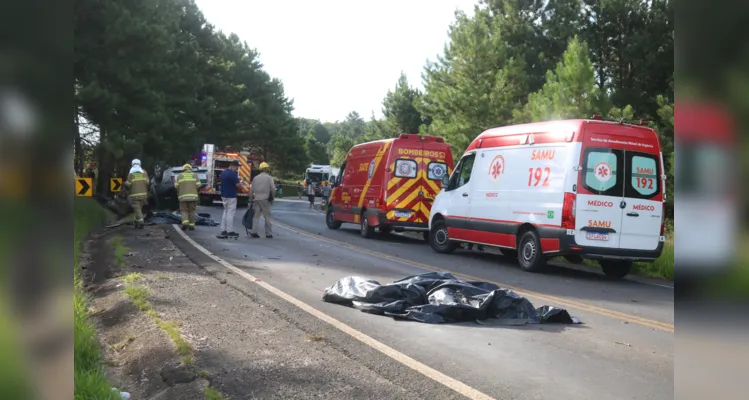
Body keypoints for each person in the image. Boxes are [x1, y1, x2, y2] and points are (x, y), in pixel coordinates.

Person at [248, 162, 276, 239]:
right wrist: (272, 197)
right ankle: (268, 233)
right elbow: (273, 189)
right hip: (265, 199)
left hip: (256, 199)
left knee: (256, 216)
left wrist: (251, 201)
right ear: (267, 169)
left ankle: (254, 232)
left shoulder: (255, 178)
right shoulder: (269, 178)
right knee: (267, 217)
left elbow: (251, 190)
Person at [217, 160, 244, 239]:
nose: (237, 169)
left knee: (225, 212)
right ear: (233, 166)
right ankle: (230, 231)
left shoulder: (223, 173)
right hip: (231, 195)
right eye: (236, 167)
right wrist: (241, 187)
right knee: (230, 213)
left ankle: (223, 229)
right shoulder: (233, 174)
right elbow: (238, 185)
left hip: (224, 195)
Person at [125, 159, 149, 229]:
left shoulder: (131, 173)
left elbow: (128, 184)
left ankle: (141, 222)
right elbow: (147, 182)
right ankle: (136, 221)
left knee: (137, 209)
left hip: (134, 195)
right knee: (138, 209)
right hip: (143, 195)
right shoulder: (144, 172)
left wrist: (124, 183)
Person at [175, 163, 199, 231]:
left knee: (184, 210)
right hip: (193, 197)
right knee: (192, 210)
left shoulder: (180, 175)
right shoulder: (195, 175)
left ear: (183, 169)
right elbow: (199, 185)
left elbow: (176, 186)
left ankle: (185, 223)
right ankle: (191, 226)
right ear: (190, 169)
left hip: (183, 197)